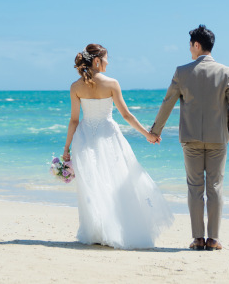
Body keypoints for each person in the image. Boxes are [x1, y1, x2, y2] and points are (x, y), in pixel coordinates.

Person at [62, 43, 174, 249]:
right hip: (108, 137)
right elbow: (126, 115)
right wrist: (147, 135)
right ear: (97, 60)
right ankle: (114, 230)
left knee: (93, 185)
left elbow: (74, 121)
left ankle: (97, 231)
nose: (107, 62)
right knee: (115, 182)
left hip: (85, 137)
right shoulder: (112, 83)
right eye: (106, 58)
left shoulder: (75, 86)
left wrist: (66, 148)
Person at [150, 25, 229, 251]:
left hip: (190, 138)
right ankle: (213, 239)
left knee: (194, 187)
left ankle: (198, 238)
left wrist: (156, 131)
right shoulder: (226, 71)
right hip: (218, 139)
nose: (189, 49)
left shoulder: (182, 72)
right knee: (215, 187)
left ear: (197, 45)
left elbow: (168, 103)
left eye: (190, 45)